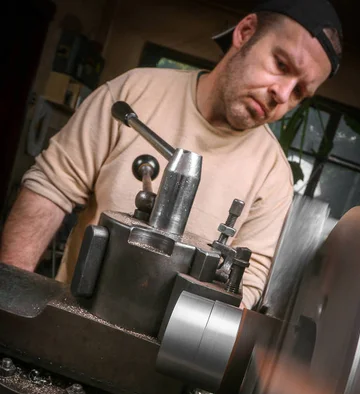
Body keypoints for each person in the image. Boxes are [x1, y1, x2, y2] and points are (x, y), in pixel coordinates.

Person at [0, 0, 342, 309]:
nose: (281, 94)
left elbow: (247, 286)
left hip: (168, 359)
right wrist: (8, 302)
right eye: (280, 64)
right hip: (73, 317)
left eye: (300, 91)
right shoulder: (133, 93)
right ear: (245, 32)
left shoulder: (273, 174)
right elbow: (50, 190)